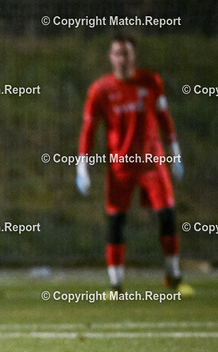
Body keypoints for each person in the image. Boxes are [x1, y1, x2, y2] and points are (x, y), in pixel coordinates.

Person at [76, 35, 193, 294]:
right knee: (116, 220)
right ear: (110, 57)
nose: (122, 59)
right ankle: (115, 285)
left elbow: (164, 118)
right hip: (120, 165)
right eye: (117, 53)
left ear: (133, 56)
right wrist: (82, 166)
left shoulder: (151, 82)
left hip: (152, 162)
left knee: (167, 216)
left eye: (126, 53)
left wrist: (175, 153)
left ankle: (173, 276)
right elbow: (89, 130)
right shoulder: (100, 89)